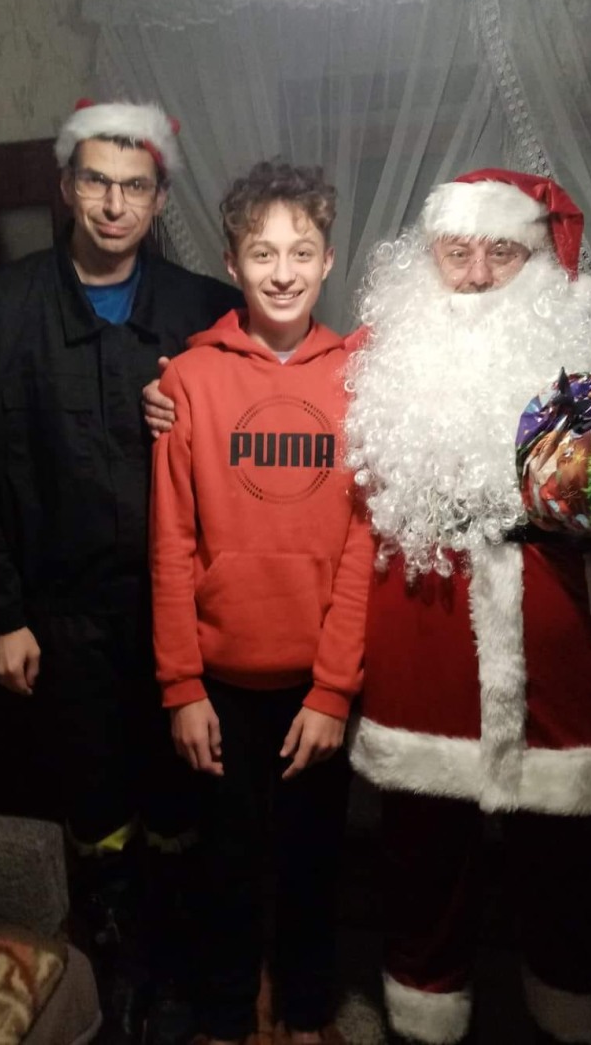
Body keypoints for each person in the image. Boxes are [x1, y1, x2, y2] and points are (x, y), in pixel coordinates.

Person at [343, 169, 591, 1045]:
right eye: (457, 252)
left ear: (540, 260)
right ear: (427, 259)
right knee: (421, 852)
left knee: (563, 859)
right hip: (426, 643)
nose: (477, 275)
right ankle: (423, 1009)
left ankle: (572, 1006)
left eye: (502, 251)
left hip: (561, 650)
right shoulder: (378, 357)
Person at [0, 97, 241, 1042]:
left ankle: (188, 971)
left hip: (185, 612)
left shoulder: (202, 308)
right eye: (97, 182)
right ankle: (119, 975)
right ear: (67, 187)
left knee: (188, 796)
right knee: (95, 801)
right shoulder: (4, 308)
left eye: (134, 187)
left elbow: (259, 454)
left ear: (159, 200)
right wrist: (0, 612)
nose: (114, 204)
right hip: (60, 617)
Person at [149, 162, 374, 1045]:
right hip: (218, 684)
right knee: (225, 867)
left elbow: (362, 546)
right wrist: (181, 685)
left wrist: (334, 690)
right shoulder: (189, 378)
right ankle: (226, 1014)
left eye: (302, 251)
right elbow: (170, 541)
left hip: (316, 686)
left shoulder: (363, 379)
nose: (283, 271)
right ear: (233, 263)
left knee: (315, 864)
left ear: (328, 261)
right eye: (263, 252)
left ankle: (308, 1012)